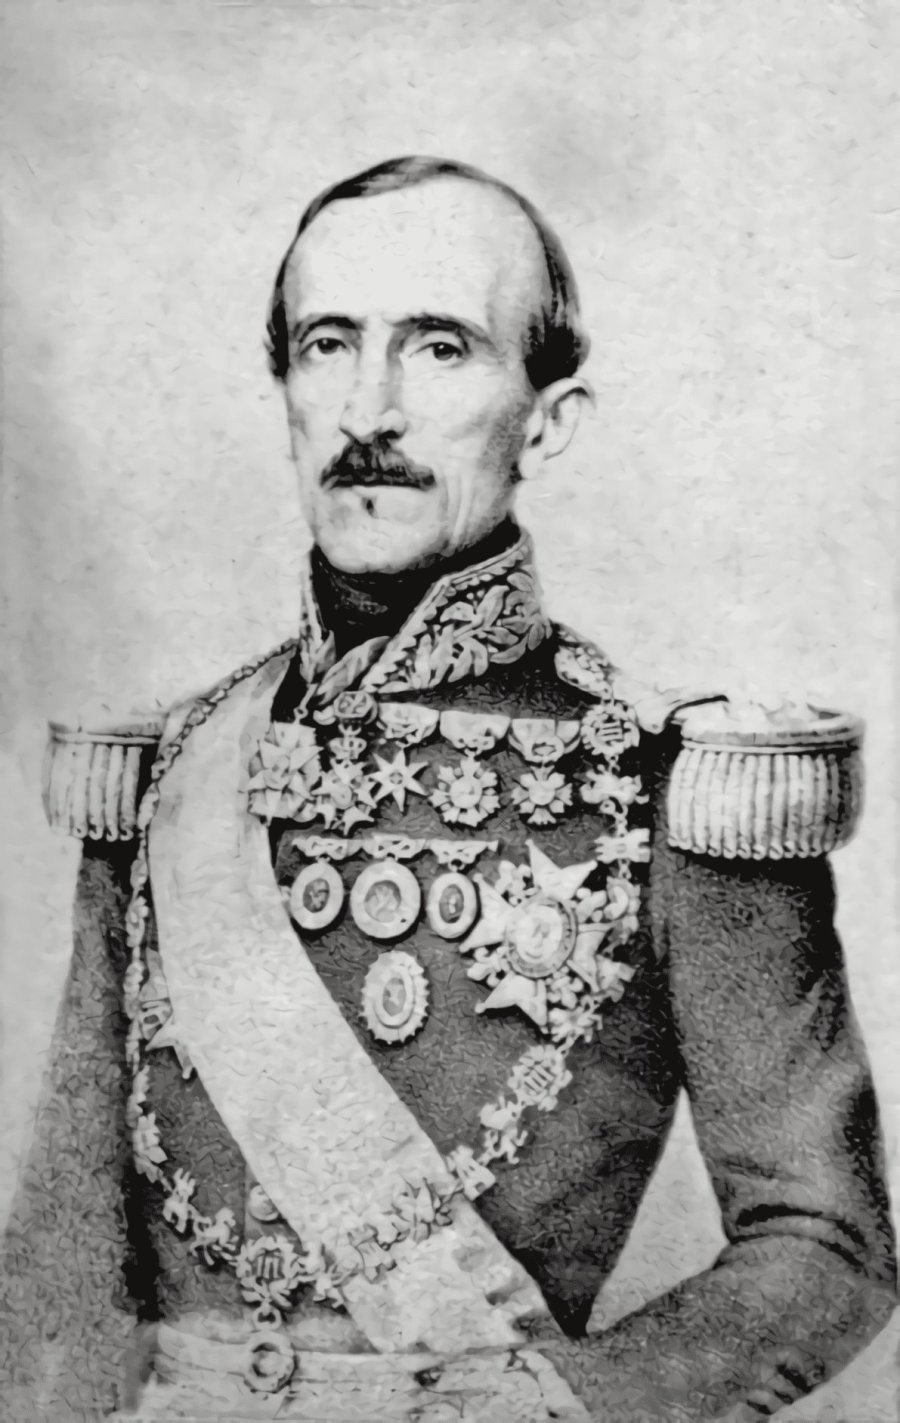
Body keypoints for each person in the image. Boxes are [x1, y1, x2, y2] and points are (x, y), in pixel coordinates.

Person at [0, 156, 895, 1422]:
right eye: (328, 345)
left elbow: (822, 1242)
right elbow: (62, 1264)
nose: (369, 409)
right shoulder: (172, 770)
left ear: (548, 418)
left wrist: (552, 1407)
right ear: (285, 390)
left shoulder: (670, 790)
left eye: (439, 348)